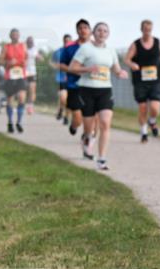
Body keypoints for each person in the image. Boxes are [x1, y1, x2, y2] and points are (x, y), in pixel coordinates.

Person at [67, 22, 128, 170]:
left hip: (105, 90)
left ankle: (101, 159)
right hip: (87, 90)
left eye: (105, 31)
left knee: (105, 123)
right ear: (93, 33)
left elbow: (116, 68)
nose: (102, 33)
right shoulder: (86, 49)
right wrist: (88, 69)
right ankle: (86, 138)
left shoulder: (111, 51)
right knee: (90, 128)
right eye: (99, 30)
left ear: (108, 34)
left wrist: (120, 73)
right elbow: (72, 68)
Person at [123, 19, 160, 143]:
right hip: (140, 81)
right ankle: (144, 132)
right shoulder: (136, 44)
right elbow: (126, 59)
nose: (147, 32)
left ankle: (152, 121)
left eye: (149, 30)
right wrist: (132, 64)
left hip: (155, 80)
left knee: (155, 108)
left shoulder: (158, 42)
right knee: (143, 107)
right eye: (145, 29)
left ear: (151, 30)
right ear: (141, 30)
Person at [58, 19, 92, 152]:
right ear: (77, 31)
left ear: (90, 30)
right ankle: (73, 125)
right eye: (80, 28)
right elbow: (61, 64)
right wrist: (73, 69)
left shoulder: (96, 47)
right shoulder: (70, 49)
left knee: (91, 119)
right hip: (75, 86)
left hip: (92, 86)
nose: (83, 30)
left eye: (85, 27)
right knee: (78, 119)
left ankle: (87, 141)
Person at [0, 28, 28, 133]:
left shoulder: (23, 46)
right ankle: (10, 122)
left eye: (16, 34)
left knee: (21, 97)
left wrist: (24, 63)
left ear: (19, 36)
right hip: (9, 76)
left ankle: (19, 122)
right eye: (13, 35)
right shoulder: (6, 47)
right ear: (10, 36)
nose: (15, 36)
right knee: (9, 100)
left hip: (20, 75)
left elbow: (27, 58)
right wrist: (8, 63)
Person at [51, 34, 73, 123]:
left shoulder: (75, 52)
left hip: (72, 78)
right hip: (61, 78)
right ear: (63, 41)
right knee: (63, 98)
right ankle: (60, 109)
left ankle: (66, 117)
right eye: (65, 40)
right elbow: (52, 62)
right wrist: (55, 66)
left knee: (69, 99)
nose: (67, 42)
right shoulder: (58, 52)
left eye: (69, 40)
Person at [24, 35, 41, 114]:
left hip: (32, 72)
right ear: (27, 42)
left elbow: (38, 58)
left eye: (31, 41)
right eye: (29, 41)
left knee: (32, 89)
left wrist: (39, 58)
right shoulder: (23, 48)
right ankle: (23, 104)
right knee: (24, 90)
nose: (30, 43)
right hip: (23, 72)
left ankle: (30, 106)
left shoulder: (35, 49)